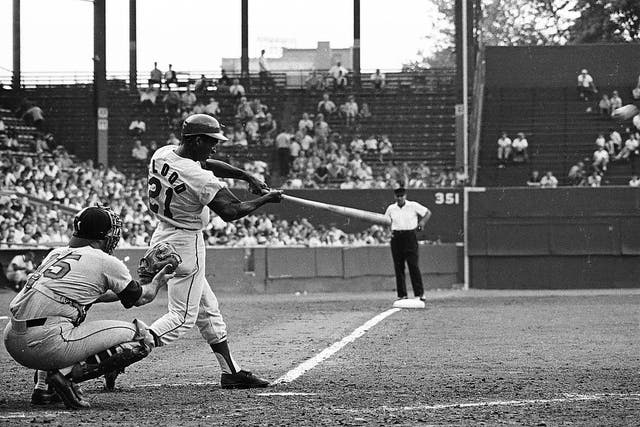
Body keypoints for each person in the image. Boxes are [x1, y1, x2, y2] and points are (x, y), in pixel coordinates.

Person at [142, 114, 282, 390]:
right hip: (186, 242)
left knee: (208, 311)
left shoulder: (164, 153)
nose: (215, 147)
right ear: (195, 141)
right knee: (181, 318)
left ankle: (231, 371)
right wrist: (266, 199)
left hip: (164, 234)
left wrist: (245, 175)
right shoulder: (199, 177)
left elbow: (204, 164)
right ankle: (115, 353)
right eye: (211, 141)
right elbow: (231, 211)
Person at [3, 206, 173, 409]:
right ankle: (64, 378)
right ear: (101, 235)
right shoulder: (104, 261)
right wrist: (156, 282)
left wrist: (133, 287)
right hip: (46, 343)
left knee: (68, 313)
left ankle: (43, 388)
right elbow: (141, 299)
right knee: (141, 337)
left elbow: (93, 295)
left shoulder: (56, 253)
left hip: (13, 338)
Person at [384, 185, 431, 302]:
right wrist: (388, 232)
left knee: (413, 265)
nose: (399, 198)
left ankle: (419, 293)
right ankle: (402, 294)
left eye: (401, 196)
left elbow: (427, 212)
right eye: (397, 196)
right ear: (395, 197)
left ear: (405, 196)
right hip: (396, 237)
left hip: (410, 236)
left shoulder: (413, 205)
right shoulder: (391, 208)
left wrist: (422, 223)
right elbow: (385, 221)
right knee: (399, 267)